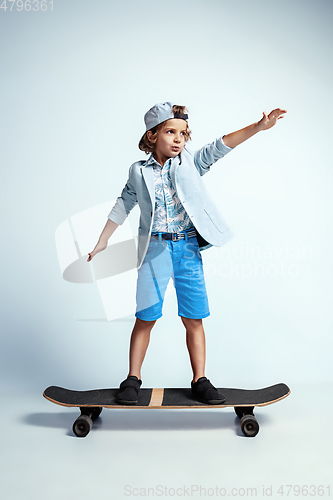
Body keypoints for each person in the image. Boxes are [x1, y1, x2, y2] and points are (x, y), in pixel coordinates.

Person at [87, 101, 286, 405]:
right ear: (152, 135)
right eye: (170, 132)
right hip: (154, 250)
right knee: (146, 317)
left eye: (183, 133)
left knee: (193, 318)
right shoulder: (138, 172)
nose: (179, 138)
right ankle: (132, 379)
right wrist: (103, 240)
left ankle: (200, 380)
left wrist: (258, 127)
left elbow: (222, 146)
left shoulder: (191, 162)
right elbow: (123, 203)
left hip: (188, 248)